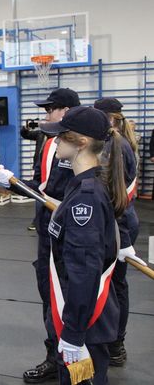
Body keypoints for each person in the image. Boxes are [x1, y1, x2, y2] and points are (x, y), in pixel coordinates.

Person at [0, 88, 80, 383]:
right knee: (49, 295)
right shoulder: (48, 142)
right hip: (47, 230)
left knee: (70, 298)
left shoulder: (81, 148)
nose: (45, 116)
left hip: (71, 234)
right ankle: (55, 358)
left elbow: (67, 195)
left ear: (66, 112)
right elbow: (42, 187)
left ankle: (76, 364)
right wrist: (12, 182)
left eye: (50, 110)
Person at [38, 106, 125, 385]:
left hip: (84, 324)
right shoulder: (81, 185)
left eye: (62, 136)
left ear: (82, 143)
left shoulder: (85, 196)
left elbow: (84, 271)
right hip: (80, 315)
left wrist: (73, 334)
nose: (56, 141)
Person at [94, 98, 146, 366]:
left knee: (117, 286)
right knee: (110, 285)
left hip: (120, 226)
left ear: (110, 119)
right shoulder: (111, 143)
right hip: (114, 225)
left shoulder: (117, 147)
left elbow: (121, 197)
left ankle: (116, 343)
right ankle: (109, 338)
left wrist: (123, 239)